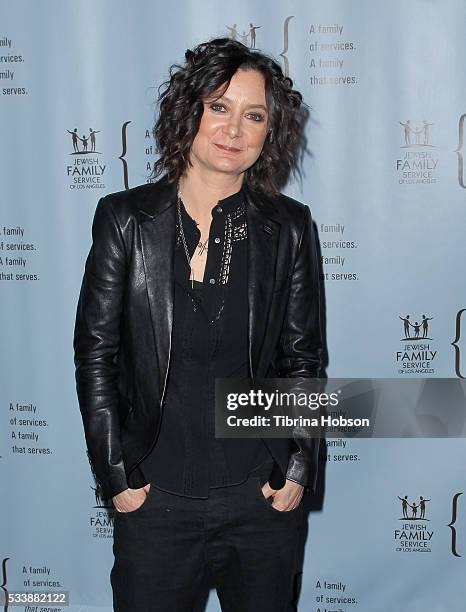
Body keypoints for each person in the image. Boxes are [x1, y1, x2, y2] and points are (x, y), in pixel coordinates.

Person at [73, 37, 323, 612]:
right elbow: (96, 357)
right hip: (154, 499)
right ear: (189, 111)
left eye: (253, 115)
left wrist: (300, 463)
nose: (234, 128)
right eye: (219, 106)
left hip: (261, 498)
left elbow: (302, 359)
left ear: (269, 133)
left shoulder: (289, 227)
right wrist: (117, 477)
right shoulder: (125, 219)